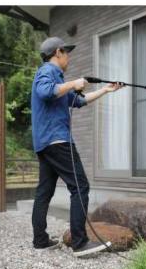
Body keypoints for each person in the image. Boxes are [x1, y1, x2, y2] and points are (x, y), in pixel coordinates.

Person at [31, 37, 123, 257]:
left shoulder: (57, 80)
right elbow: (45, 91)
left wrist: (105, 90)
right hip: (57, 140)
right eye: (67, 53)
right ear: (58, 52)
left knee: (44, 191)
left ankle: (40, 240)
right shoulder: (48, 71)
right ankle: (80, 243)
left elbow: (78, 101)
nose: (69, 58)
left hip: (45, 143)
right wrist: (73, 83)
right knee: (80, 186)